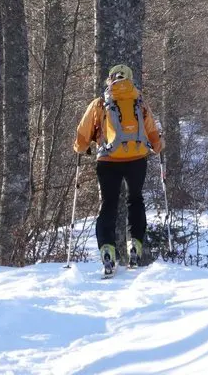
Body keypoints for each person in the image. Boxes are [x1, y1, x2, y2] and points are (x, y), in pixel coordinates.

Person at [74, 64, 163, 273]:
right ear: (131, 79)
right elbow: (153, 135)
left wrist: (81, 148)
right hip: (137, 159)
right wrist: (158, 147)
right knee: (136, 200)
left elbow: (82, 136)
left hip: (107, 160)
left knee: (109, 204)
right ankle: (136, 244)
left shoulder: (99, 104)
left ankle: (107, 248)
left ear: (110, 79)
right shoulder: (139, 102)